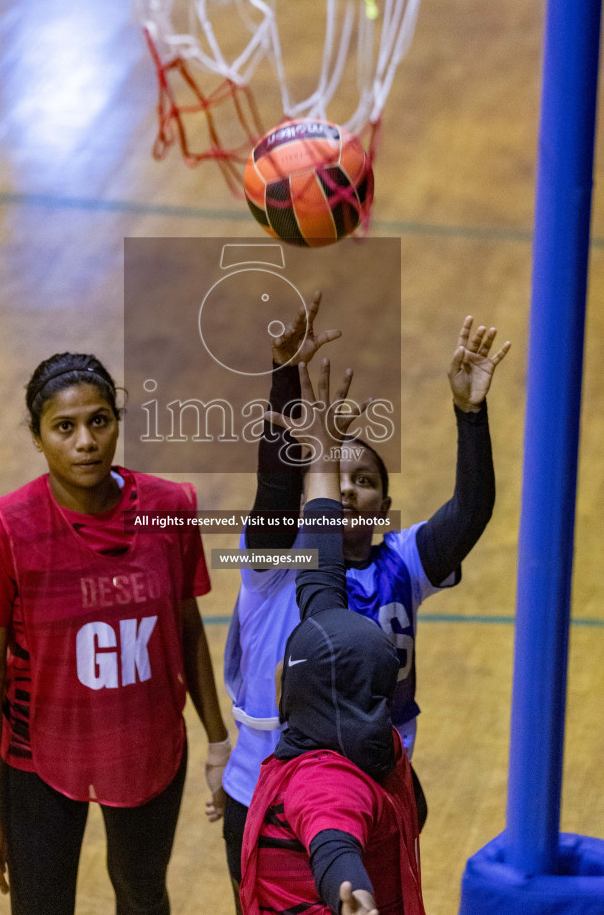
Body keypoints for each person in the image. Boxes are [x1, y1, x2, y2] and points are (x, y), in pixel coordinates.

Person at [223, 293, 510, 906]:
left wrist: (470, 413)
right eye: (338, 477)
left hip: (379, 771)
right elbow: (275, 484)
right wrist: (284, 377)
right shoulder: (279, 565)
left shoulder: (402, 563)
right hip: (271, 781)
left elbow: (470, 512)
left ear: (385, 505)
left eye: (368, 480)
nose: (349, 490)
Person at [0, 352, 230, 915]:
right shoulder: (2, 532)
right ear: (38, 438)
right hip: (39, 760)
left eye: (99, 420)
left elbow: (186, 626)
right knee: (41, 906)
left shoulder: (169, 508)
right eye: (65, 427)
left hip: (148, 745)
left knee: (143, 894)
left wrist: (219, 740)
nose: (86, 441)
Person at [240, 358, 426, 915]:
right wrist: (321, 452)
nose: (280, 668)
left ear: (287, 693)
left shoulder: (323, 778)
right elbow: (322, 580)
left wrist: (351, 890)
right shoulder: (382, 743)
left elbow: (332, 841)